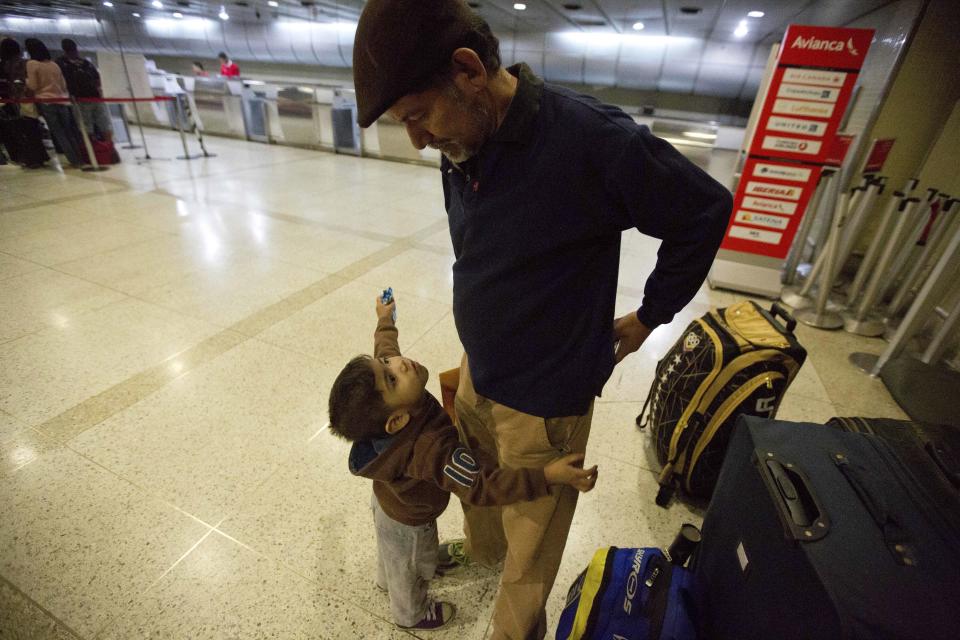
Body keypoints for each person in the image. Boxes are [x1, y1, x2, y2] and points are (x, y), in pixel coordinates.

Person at [351, 1, 734, 638]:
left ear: (469, 70)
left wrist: (649, 316)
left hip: (546, 402)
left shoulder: (589, 138)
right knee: (486, 508)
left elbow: (702, 212)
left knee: (529, 557)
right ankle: (483, 559)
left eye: (418, 116)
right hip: (480, 373)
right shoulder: (463, 137)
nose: (417, 140)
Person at [327, 293, 598, 631]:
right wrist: (547, 475)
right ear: (395, 422)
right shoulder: (431, 450)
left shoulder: (391, 407)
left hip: (387, 503)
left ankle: (387, 577)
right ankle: (410, 613)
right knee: (410, 566)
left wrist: (386, 318)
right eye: (391, 377)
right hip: (412, 521)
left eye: (385, 366)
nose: (397, 363)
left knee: (391, 554)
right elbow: (482, 486)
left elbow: (384, 347)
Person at [24, 37, 84, 167]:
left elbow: (33, 86)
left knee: (59, 132)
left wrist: (27, 82)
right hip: (61, 100)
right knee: (69, 131)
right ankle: (80, 158)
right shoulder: (54, 65)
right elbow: (63, 85)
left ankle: (73, 160)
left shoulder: (32, 64)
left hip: (46, 101)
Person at [56, 39, 112, 143]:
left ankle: (97, 148)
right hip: (90, 98)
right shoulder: (85, 63)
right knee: (99, 124)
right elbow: (97, 80)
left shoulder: (62, 64)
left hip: (83, 99)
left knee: (88, 126)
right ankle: (103, 148)